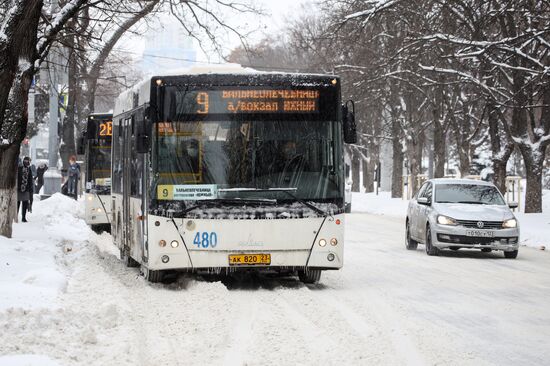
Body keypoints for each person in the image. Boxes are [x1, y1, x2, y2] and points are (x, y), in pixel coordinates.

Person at [17, 156, 34, 222]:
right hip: (18, 188)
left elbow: (30, 180)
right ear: (24, 161)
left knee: (25, 203)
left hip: (26, 189)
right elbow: (17, 178)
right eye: (26, 161)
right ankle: (16, 216)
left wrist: (30, 189)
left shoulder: (29, 169)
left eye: (28, 161)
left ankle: (23, 217)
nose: (27, 163)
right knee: (17, 203)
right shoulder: (19, 168)